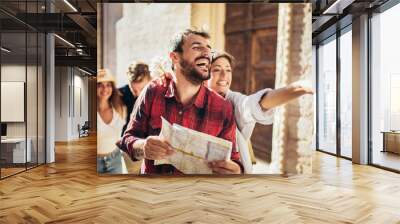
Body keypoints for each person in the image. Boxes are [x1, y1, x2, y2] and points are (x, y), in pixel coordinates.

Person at [117, 29, 242, 174]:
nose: (207, 53)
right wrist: (143, 146)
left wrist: (235, 170)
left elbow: (234, 160)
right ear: (175, 57)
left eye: (208, 48)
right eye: (197, 47)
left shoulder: (223, 108)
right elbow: (128, 139)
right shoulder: (153, 92)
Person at [208, 51, 313, 173]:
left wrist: (298, 87)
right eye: (216, 70)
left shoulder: (235, 101)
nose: (224, 75)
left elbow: (254, 104)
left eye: (228, 70)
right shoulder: (191, 101)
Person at [97, 69, 127, 174]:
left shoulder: (120, 109)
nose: (105, 89)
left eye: (108, 84)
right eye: (100, 84)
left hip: (115, 159)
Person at [119, 62, 152, 135]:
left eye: (142, 89)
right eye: (134, 90)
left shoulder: (158, 94)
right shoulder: (122, 93)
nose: (139, 94)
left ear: (150, 80)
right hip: (128, 137)